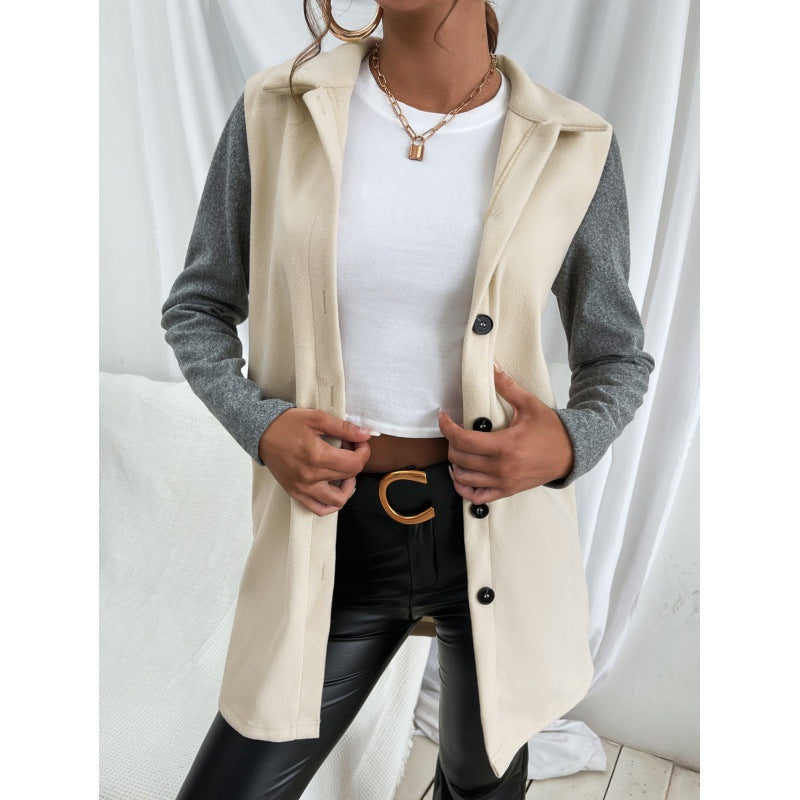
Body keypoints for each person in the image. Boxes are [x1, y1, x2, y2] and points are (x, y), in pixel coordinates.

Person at [160, 1, 655, 798]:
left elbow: (617, 356)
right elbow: (197, 307)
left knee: (480, 782)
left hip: (498, 538)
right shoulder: (278, 110)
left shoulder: (573, 144)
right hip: (333, 537)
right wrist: (264, 427)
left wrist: (567, 442)